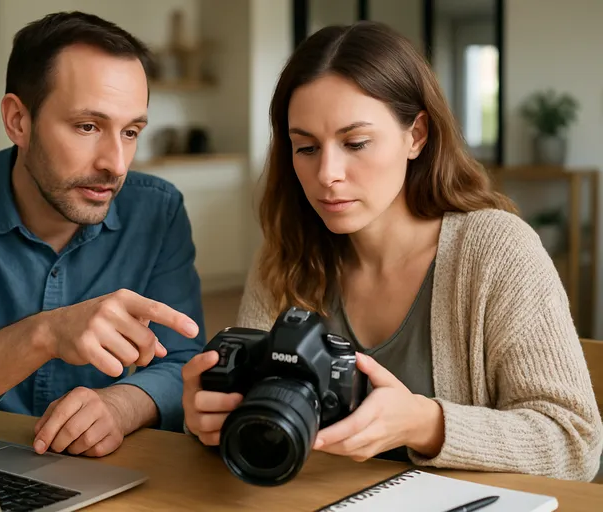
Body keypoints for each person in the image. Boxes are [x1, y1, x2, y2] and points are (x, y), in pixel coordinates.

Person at [181, 21, 603, 481]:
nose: (328, 173)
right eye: (305, 147)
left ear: (416, 135)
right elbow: (257, 425)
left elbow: (575, 444)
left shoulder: (498, 251)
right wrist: (207, 420)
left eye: (355, 143)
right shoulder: (286, 256)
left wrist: (426, 424)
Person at [0, 11, 205, 458]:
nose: (117, 164)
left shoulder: (158, 211)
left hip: (105, 482)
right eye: (88, 127)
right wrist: (47, 333)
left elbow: (183, 362)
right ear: (18, 121)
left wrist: (121, 406)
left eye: (130, 132)